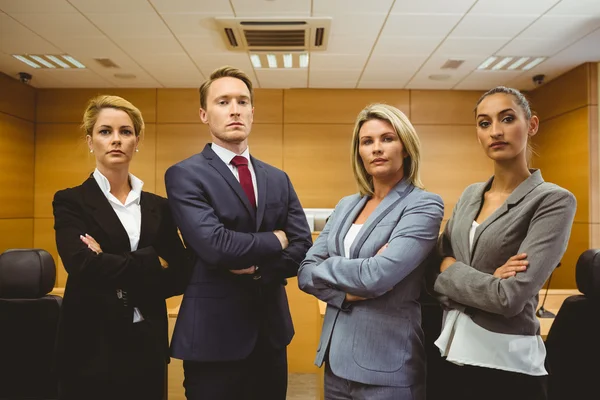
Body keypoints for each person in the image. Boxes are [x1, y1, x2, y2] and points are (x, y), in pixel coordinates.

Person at [165, 65, 313, 400]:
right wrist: (276, 239)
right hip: (213, 338)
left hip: (270, 335)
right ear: (204, 114)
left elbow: (303, 246)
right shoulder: (184, 175)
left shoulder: (278, 178)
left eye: (243, 102)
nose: (235, 110)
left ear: (252, 111)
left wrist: (260, 268)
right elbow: (215, 246)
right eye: (223, 102)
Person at [432, 86, 577, 400]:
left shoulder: (552, 200)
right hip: (451, 354)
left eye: (507, 119)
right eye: (484, 123)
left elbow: (508, 298)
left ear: (532, 125)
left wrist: (450, 271)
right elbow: (436, 258)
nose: (495, 131)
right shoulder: (471, 194)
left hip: (506, 367)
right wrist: (483, 279)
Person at [298, 103, 444, 400]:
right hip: (335, 362)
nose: (377, 148)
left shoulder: (423, 204)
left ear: (405, 148)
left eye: (387, 139)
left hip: (387, 365)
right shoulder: (345, 206)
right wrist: (347, 289)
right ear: (359, 152)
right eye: (367, 141)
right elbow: (304, 272)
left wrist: (330, 268)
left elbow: (377, 276)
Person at [52, 95, 193, 400]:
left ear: (136, 140)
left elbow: (181, 273)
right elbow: (82, 266)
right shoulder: (70, 201)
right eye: (105, 131)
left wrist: (108, 260)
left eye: (125, 132)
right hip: (90, 346)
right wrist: (153, 261)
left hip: (147, 344)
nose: (116, 139)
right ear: (90, 141)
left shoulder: (160, 207)